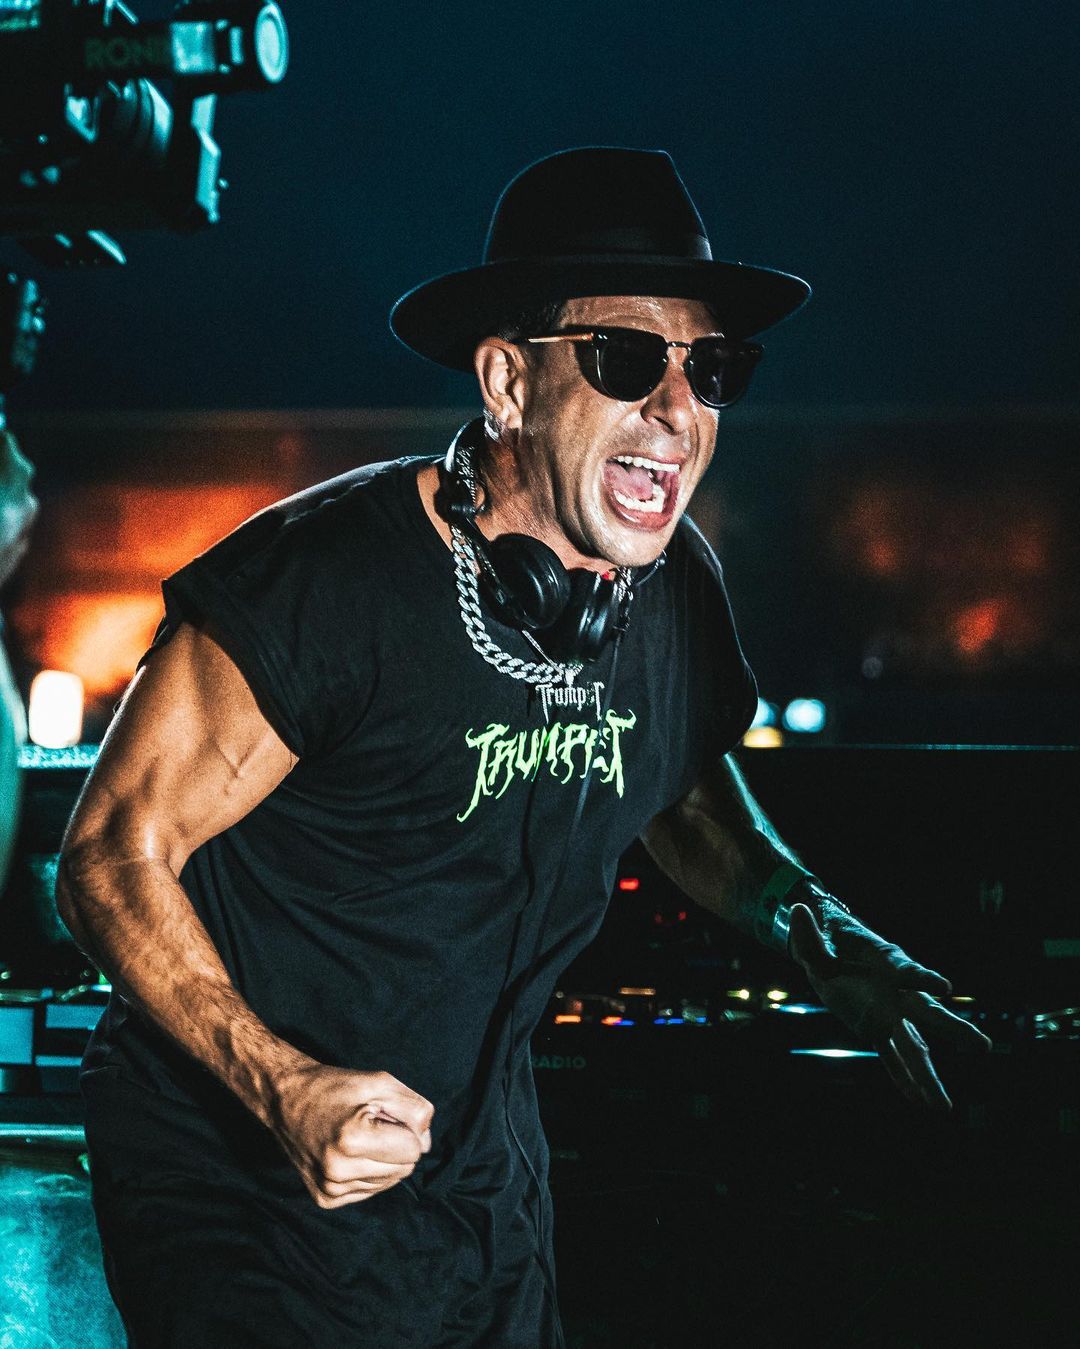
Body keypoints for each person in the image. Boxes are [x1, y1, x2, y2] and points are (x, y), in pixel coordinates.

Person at [56, 147, 991, 1349]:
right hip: (238, 1167)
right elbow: (110, 852)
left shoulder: (670, 590)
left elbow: (681, 786)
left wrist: (824, 932)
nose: (678, 409)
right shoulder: (325, 580)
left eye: (712, 370)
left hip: (475, 1171)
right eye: (626, 359)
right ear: (506, 380)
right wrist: (279, 1082)